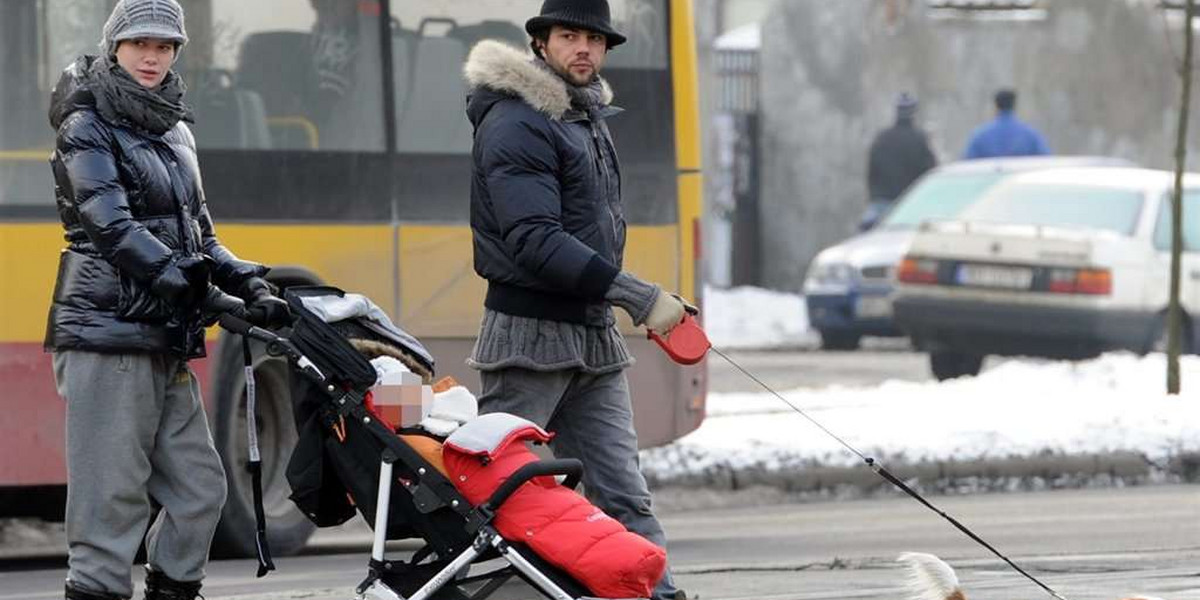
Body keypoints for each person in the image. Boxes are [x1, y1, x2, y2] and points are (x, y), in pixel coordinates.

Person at [45, 1, 291, 599]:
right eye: (138, 45)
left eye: (165, 46)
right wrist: (203, 293)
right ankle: (98, 590)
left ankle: (174, 589)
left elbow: (199, 233)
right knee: (112, 495)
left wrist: (250, 281)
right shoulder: (86, 125)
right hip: (106, 332)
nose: (152, 57)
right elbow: (114, 230)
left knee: (201, 487)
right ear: (114, 48)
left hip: (164, 332)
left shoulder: (174, 128)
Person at [462, 1, 693, 599]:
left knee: (624, 496)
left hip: (592, 338)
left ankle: (659, 595)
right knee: (499, 502)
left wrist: (618, 298)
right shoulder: (517, 121)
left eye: (594, 38)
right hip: (529, 340)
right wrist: (636, 295)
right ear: (541, 44)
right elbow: (535, 241)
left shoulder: (580, 115)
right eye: (569, 36)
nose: (583, 49)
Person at [863, 91, 937, 229]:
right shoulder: (919, 140)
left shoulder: (882, 139)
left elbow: (871, 173)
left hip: (881, 204)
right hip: (910, 205)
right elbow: (930, 173)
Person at [963, 88, 1050, 160]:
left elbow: (968, 162)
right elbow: (1044, 161)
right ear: (1014, 105)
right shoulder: (1030, 135)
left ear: (996, 106)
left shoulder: (981, 135)